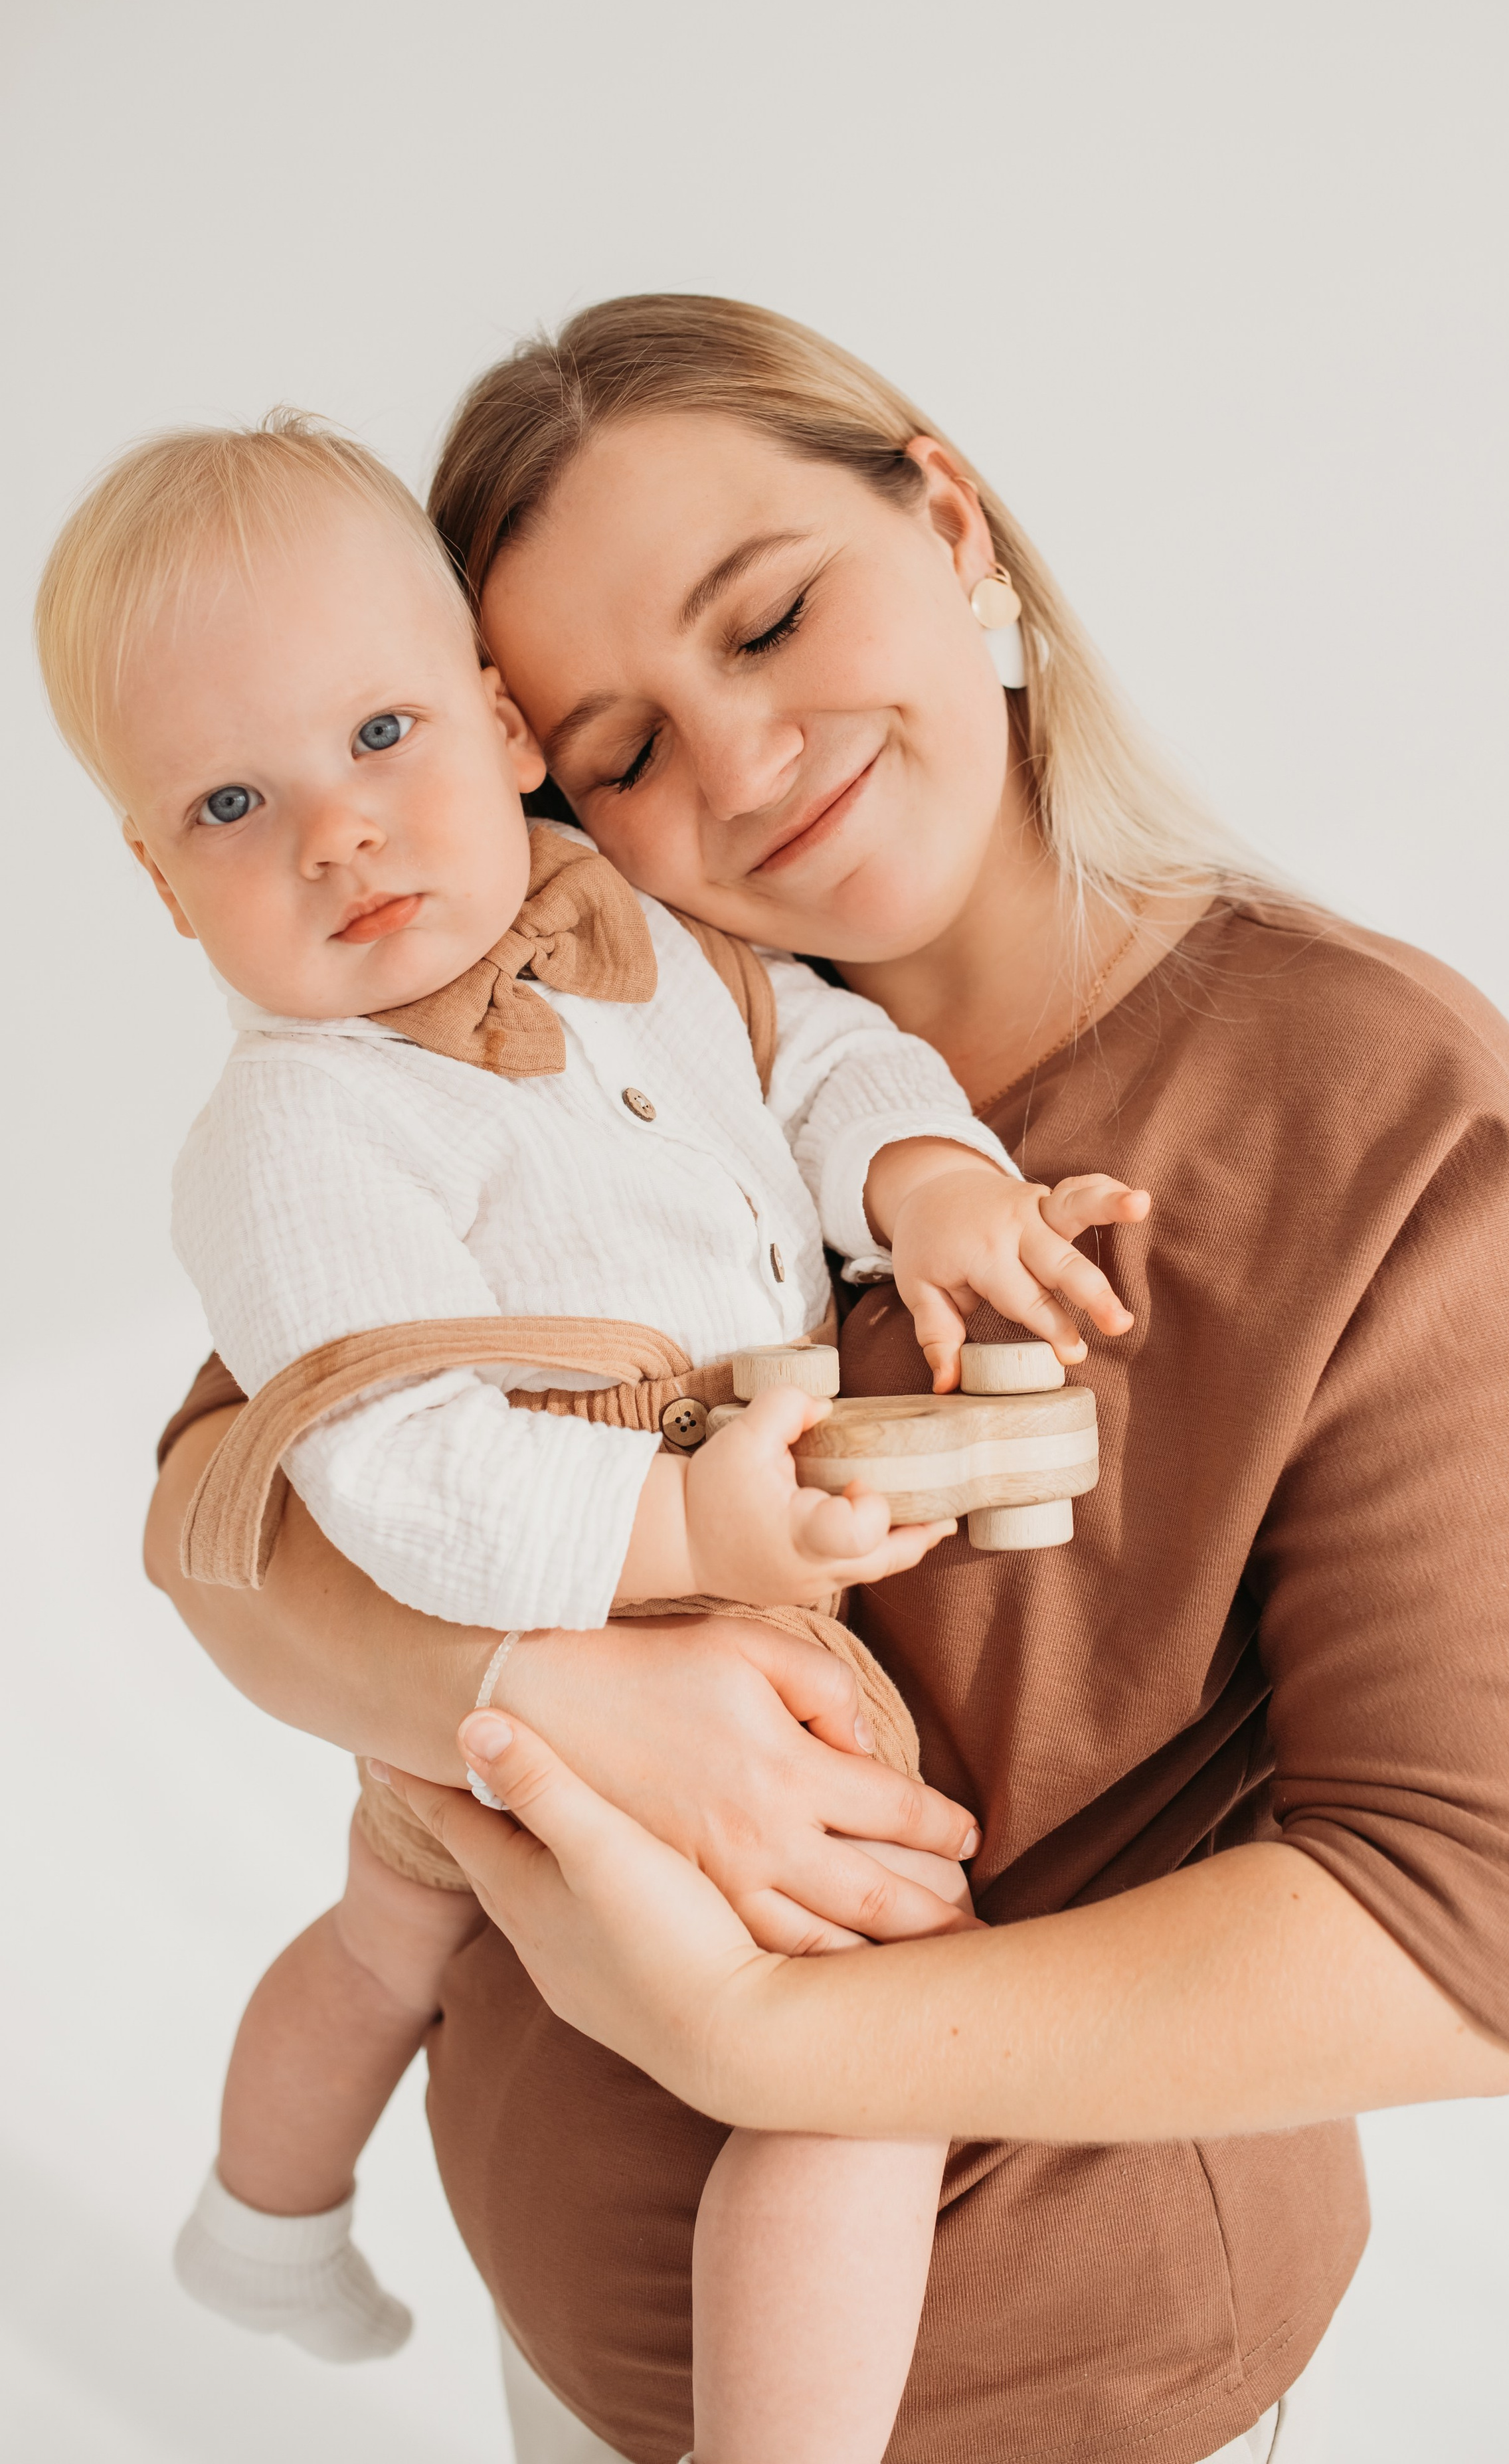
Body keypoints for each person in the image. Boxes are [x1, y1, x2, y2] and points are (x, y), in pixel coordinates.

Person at [146, 295, 1509, 2464]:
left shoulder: (1388, 1118)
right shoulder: (571, 1047)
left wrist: (776, 2040)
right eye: (625, 749)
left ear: (949, 522)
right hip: (551, 2346)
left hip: (1059, 2406)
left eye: (768, 619)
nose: (741, 766)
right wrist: (546, 1685)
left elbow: (1463, 1937)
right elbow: (223, 1512)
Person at [38, 410, 1145, 2461]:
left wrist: (924, 1185)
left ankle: (258, 2228)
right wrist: (680, 1535)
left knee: (390, 1934)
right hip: (601, 1611)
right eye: (230, 801)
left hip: (608, 1609)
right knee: (863, 2060)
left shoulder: (653, 947)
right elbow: (391, 1479)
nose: (342, 839)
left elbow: (819, 1054)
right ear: (159, 880)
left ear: (502, 724)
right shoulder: (300, 1134)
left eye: (381, 738)